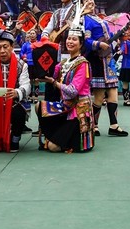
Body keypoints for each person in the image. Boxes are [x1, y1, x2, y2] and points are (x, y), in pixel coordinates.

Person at [37, 24, 94, 153]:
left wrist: (55, 83)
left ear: (81, 44)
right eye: (69, 38)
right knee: (39, 107)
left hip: (77, 112)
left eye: (74, 39)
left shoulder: (83, 64)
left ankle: (65, 141)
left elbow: (73, 91)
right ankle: (55, 136)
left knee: (53, 147)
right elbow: (49, 73)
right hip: (65, 107)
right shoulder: (64, 63)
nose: (70, 41)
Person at [82, 0, 128, 136]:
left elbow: (107, 38)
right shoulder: (84, 20)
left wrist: (115, 43)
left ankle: (114, 125)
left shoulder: (100, 18)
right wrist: (98, 44)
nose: (90, 1)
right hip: (96, 60)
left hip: (108, 60)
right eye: (86, 0)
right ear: (82, 4)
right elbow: (86, 41)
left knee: (113, 91)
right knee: (99, 96)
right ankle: (94, 125)